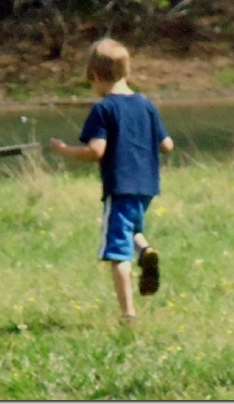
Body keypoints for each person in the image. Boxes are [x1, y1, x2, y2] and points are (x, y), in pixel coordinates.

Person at [50, 37, 175, 322]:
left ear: (95, 76)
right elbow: (167, 145)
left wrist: (65, 150)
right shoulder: (146, 104)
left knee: (117, 253)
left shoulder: (103, 109)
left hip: (119, 186)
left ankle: (128, 314)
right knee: (131, 229)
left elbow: (96, 151)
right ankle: (146, 251)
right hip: (147, 186)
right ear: (126, 72)